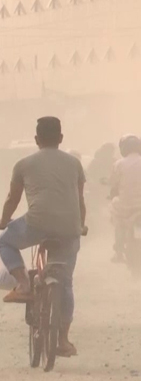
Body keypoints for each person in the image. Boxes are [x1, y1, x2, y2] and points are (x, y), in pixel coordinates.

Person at [0, 116, 87, 358]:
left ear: (36, 139)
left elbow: (12, 199)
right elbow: (80, 200)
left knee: (4, 241)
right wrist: (81, 225)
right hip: (69, 228)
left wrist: (4, 221)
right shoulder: (75, 164)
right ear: (61, 138)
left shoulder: (23, 164)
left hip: (36, 225)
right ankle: (62, 340)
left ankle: (24, 284)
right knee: (66, 281)